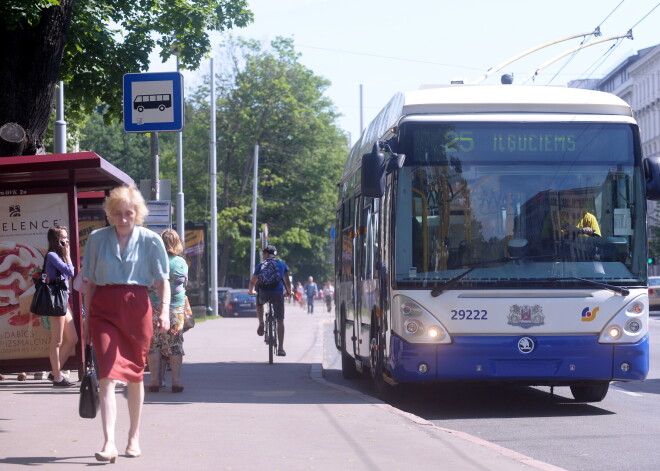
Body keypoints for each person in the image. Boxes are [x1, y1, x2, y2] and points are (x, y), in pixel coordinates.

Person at [82, 184, 170, 463]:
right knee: (107, 374)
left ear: (138, 214)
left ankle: (133, 436)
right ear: (109, 213)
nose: (123, 219)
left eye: (128, 213)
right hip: (103, 308)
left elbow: (162, 280)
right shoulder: (96, 239)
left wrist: (165, 311)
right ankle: (108, 443)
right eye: (117, 213)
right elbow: (90, 284)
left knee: (133, 375)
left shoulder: (150, 240)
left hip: (137, 307)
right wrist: (86, 320)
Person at [147, 229, 188, 394]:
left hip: (153, 307)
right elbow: (184, 284)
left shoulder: (153, 261)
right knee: (175, 344)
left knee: (154, 344)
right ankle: (176, 382)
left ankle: (155, 381)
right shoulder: (181, 262)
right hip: (176, 308)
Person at [42, 225, 78, 387]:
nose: (67, 241)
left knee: (73, 339)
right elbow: (70, 272)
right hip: (55, 300)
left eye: (67, 237)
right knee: (56, 341)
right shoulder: (52, 256)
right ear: (56, 240)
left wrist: (67, 256)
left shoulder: (59, 255)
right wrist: (68, 255)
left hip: (62, 299)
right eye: (63, 238)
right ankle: (57, 378)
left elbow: (70, 272)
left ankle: (54, 372)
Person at [248, 245, 292, 357]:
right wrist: (289, 292)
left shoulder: (261, 265)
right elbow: (287, 282)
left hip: (264, 293)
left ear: (267, 254)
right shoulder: (282, 265)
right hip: (277, 294)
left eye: (263, 253)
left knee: (259, 303)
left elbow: (253, 281)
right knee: (280, 320)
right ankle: (281, 348)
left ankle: (261, 322)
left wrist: (250, 291)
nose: (262, 256)